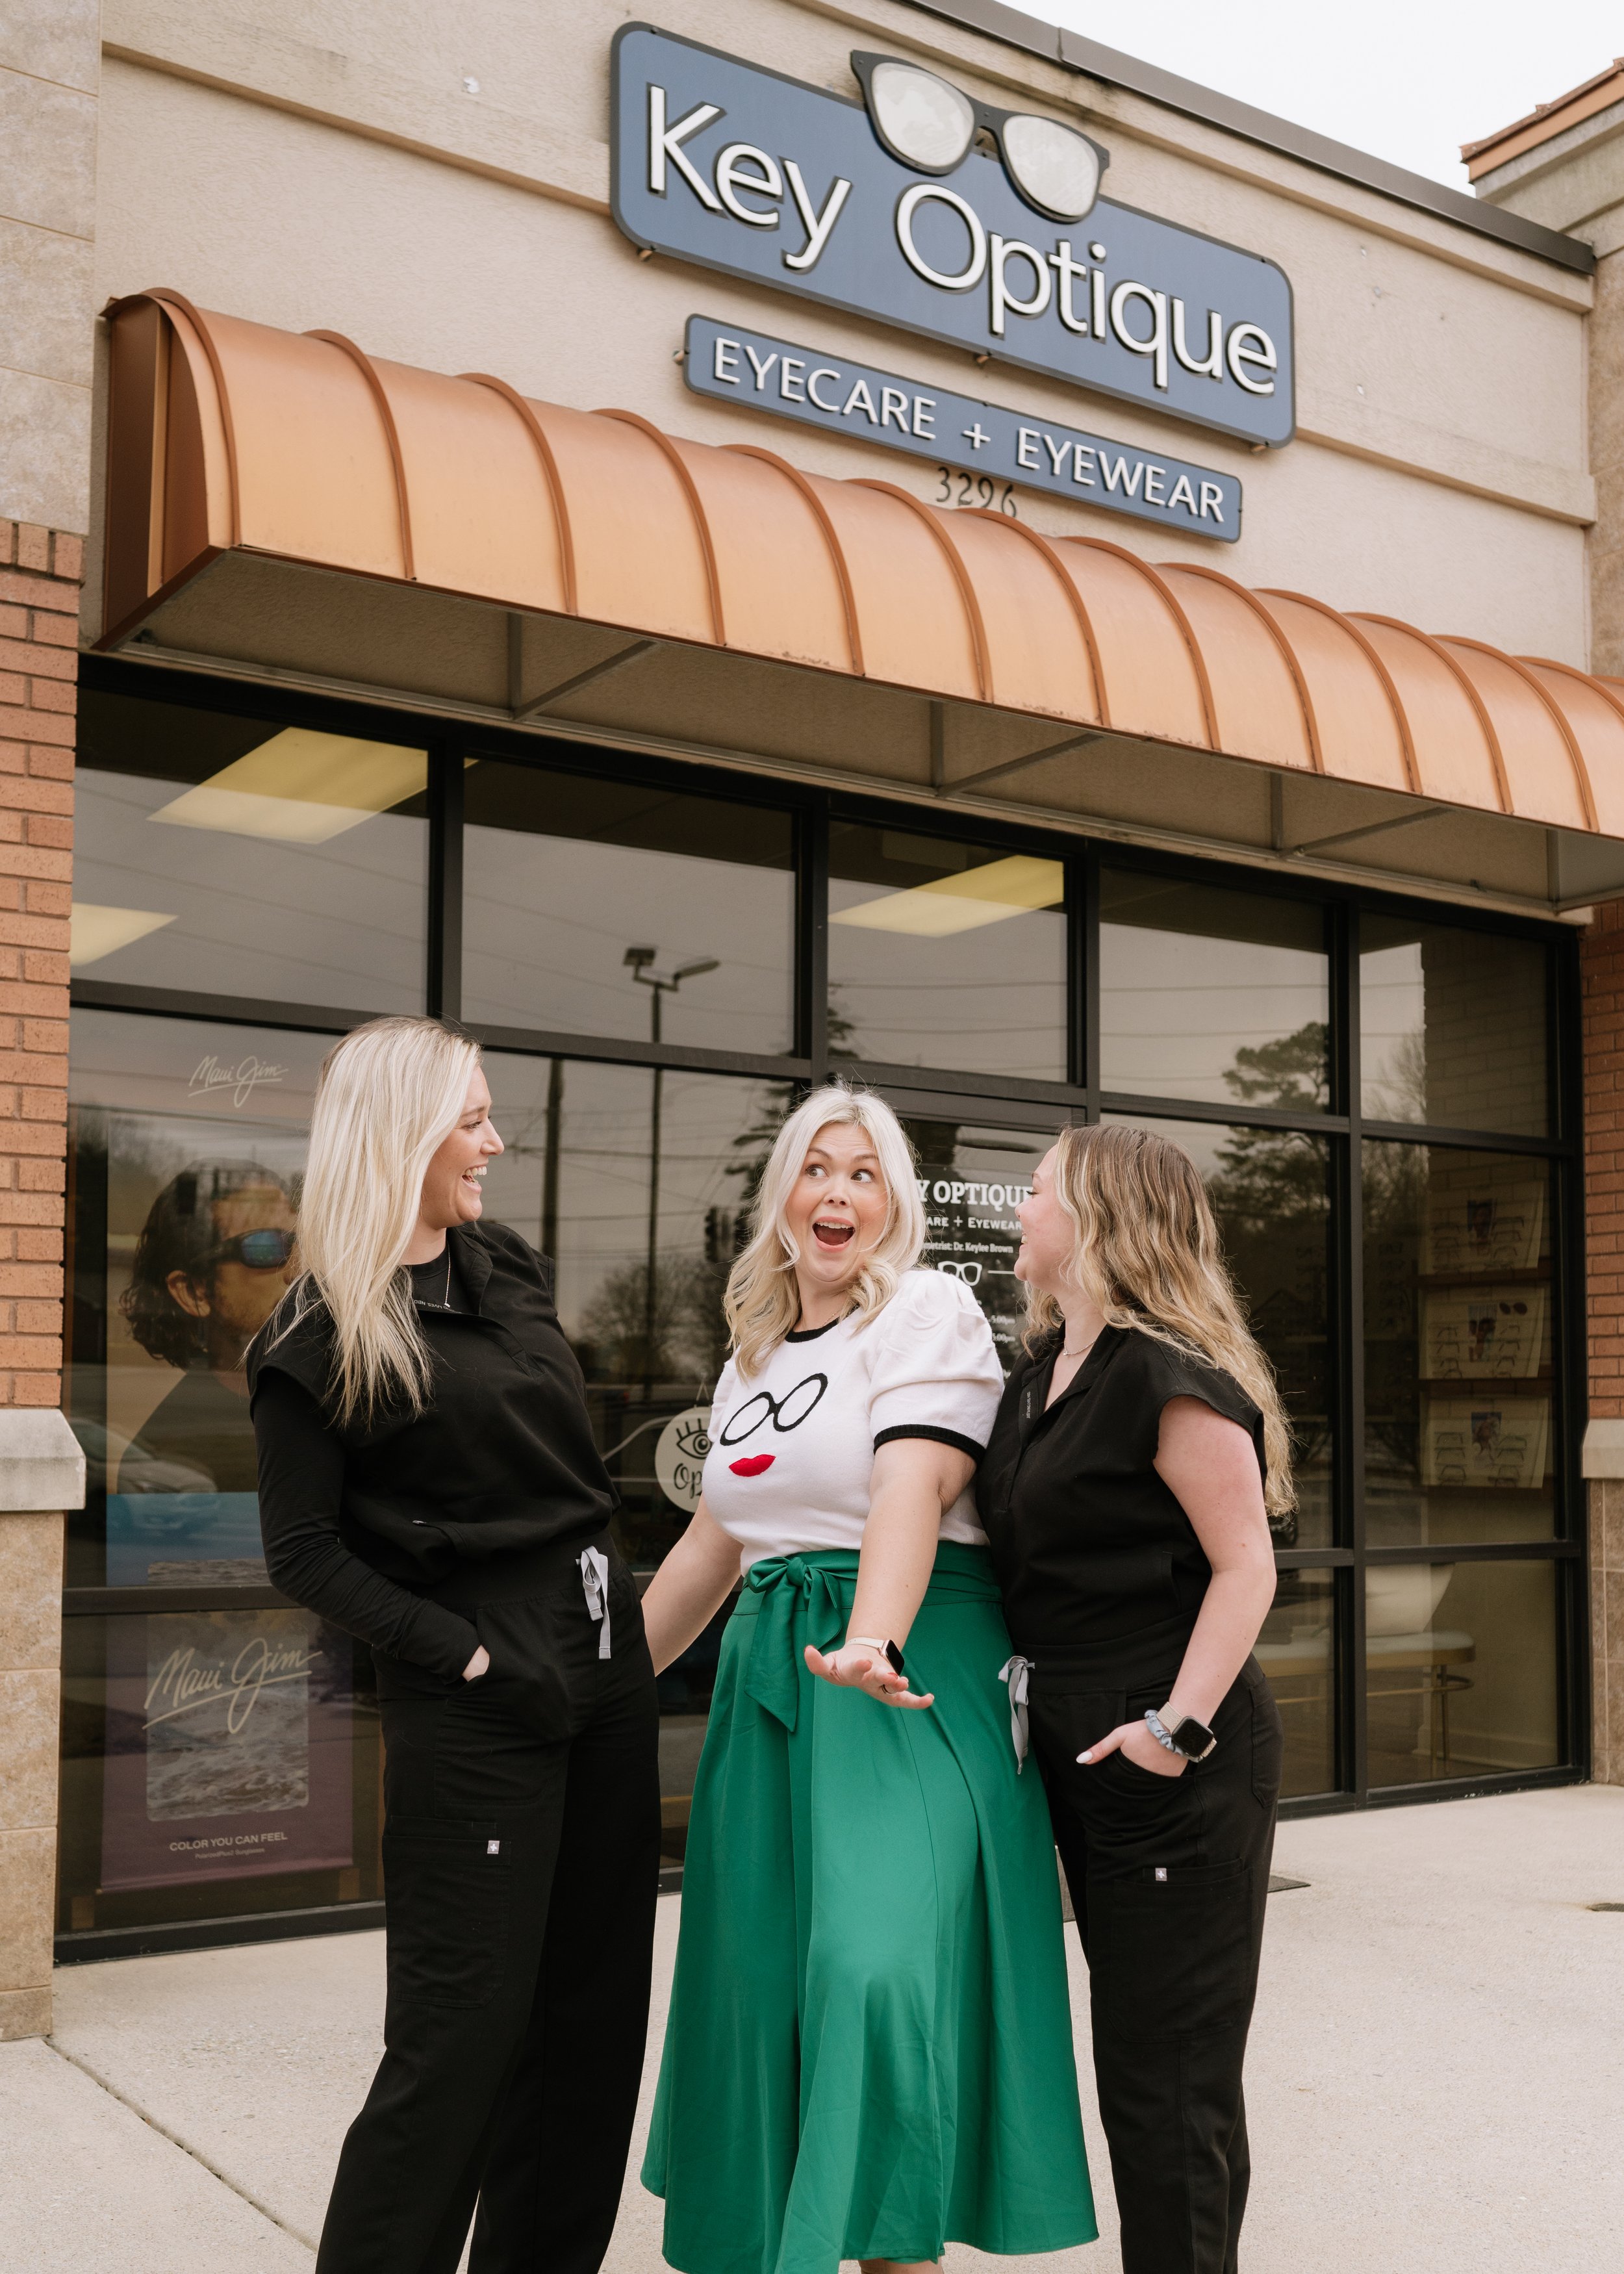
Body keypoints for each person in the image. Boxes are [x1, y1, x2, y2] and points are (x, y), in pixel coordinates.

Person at [638, 1084, 1096, 2274]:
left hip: (904, 1677)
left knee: (875, 1975)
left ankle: (901, 2255)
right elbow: (715, 1543)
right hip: (773, 1693)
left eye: (866, 1174)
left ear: (894, 1203)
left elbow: (912, 1489)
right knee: (760, 1986)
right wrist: (595, 1691)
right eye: (816, 1169)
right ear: (781, 1191)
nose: (837, 1194)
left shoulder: (928, 1312)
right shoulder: (752, 1350)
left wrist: (875, 1636)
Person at [246, 1016, 659, 2274]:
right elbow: (303, 1553)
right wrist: (466, 1653)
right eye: (471, 1117)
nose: (494, 1138)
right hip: (475, 1698)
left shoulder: (505, 1268)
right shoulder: (315, 1337)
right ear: (403, 1133)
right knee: (461, 2036)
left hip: (603, 1665)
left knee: (589, 2026)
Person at [978, 1123, 1286, 2274]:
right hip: (1082, 1752)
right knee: (1150, 2078)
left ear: (1098, 1220)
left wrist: (1174, 1731)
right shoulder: (1039, 1378)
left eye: (1040, 1191)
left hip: (1174, 1760)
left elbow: (1246, 1565)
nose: (1020, 1209)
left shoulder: (1167, 1374)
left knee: (1166, 2087)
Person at [120, 1161, 297, 1488]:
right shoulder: (182, 1453)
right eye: (268, 1247)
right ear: (195, 1292)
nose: (299, 1266)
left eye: (305, 1241)